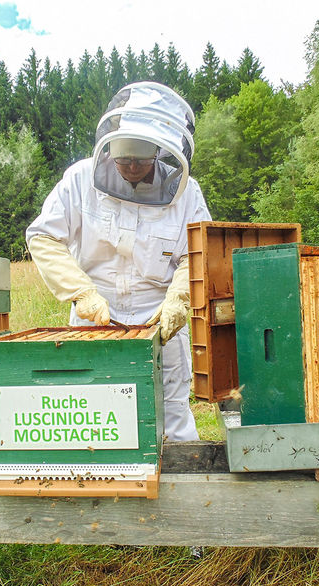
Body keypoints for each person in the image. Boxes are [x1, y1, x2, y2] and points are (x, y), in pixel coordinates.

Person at [26, 81, 211, 441]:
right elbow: (44, 237)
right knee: (92, 413)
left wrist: (179, 298)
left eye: (141, 159)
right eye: (123, 158)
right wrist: (81, 293)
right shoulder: (79, 179)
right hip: (96, 312)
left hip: (158, 316)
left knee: (172, 415)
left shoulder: (187, 192)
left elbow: (198, 252)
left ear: (159, 151)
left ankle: (181, 474)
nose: (131, 166)